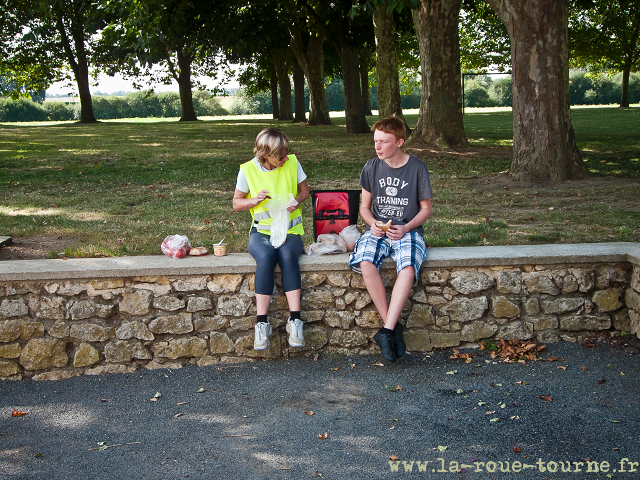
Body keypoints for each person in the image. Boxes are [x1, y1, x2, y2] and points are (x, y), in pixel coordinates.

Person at [349, 116, 433, 362]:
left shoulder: (417, 168)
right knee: (365, 261)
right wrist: (372, 223)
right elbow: (365, 207)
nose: (377, 147)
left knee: (407, 267)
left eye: (383, 142)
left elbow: (426, 209)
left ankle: (386, 331)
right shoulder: (371, 167)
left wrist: (406, 227)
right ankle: (390, 328)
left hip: (407, 230)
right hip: (378, 230)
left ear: (399, 142)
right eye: (375, 141)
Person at [233, 128, 310, 351]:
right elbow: (236, 204)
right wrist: (253, 201)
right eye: (280, 155)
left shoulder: (292, 163)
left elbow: (305, 191)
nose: (285, 158)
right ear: (265, 154)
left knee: (287, 255)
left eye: (287, 153)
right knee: (266, 256)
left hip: (290, 231)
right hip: (261, 233)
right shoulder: (247, 170)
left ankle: (295, 321)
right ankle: (262, 323)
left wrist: (297, 200)